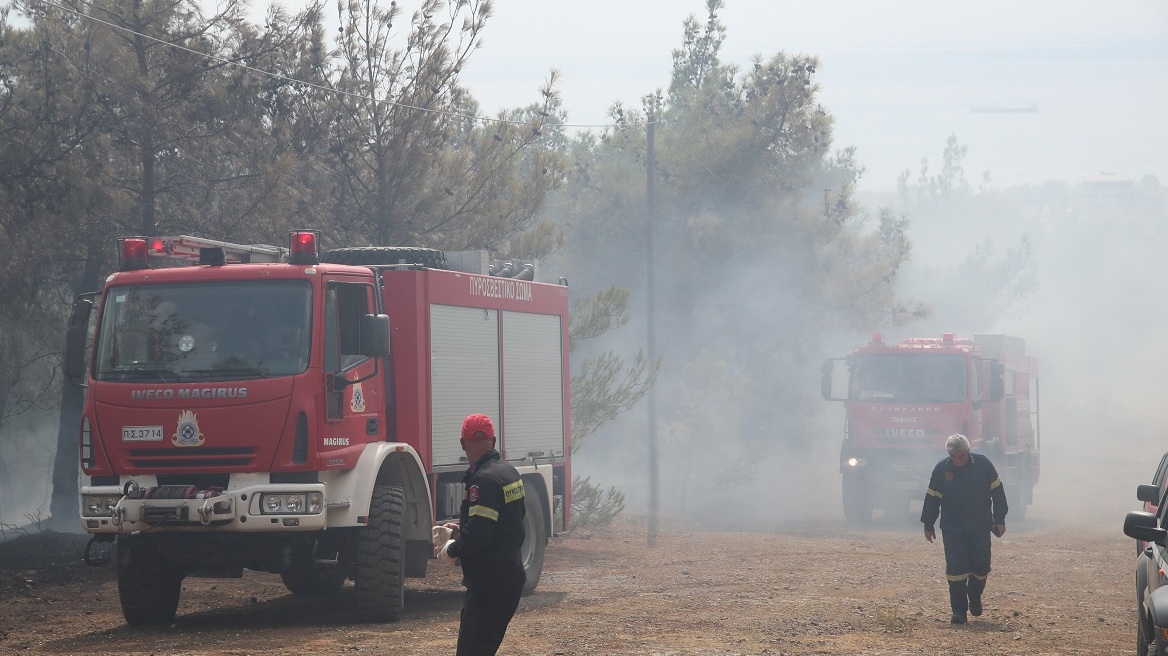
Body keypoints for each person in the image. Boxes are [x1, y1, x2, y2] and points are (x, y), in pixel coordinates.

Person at [435, 414, 527, 656]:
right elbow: (503, 520)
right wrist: (462, 526)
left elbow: (479, 535)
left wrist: (453, 549)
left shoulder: (482, 481)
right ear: (494, 441)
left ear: (462, 444)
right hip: (509, 578)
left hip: (490, 586)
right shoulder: (509, 472)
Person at [920, 433, 1008, 625]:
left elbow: (998, 492)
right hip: (953, 528)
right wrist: (928, 523)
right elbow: (932, 497)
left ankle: (974, 596)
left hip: (980, 526)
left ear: (968, 451)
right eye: (954, 456)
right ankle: (959, 611)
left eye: (961, 455)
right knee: (955, 569)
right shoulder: (941, 469)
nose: (958, 460)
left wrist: (999, 519)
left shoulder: (983, 465)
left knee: (981, 568)